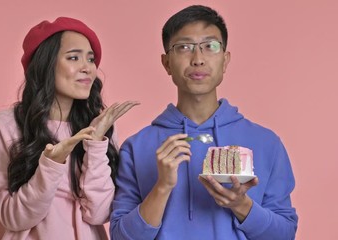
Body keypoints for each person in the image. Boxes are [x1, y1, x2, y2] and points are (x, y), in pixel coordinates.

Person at [110, 5, 298, 240]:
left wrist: (241, 206)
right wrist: (162, 187)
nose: (198, 59)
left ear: (225, 59)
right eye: (184, 47)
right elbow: (120, 236)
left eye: (210, 46)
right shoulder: (136, 147)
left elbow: (285, 234)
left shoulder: (266, 143)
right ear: (166, 63)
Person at [0, 17, 139, 240]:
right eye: (74, 57)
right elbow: (14, 218)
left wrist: (95, 144)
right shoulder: (6, 125)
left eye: (91, 59)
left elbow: (99, 214)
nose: (87, 68)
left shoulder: (99, 127)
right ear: (46, 64)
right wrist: (51, 165)